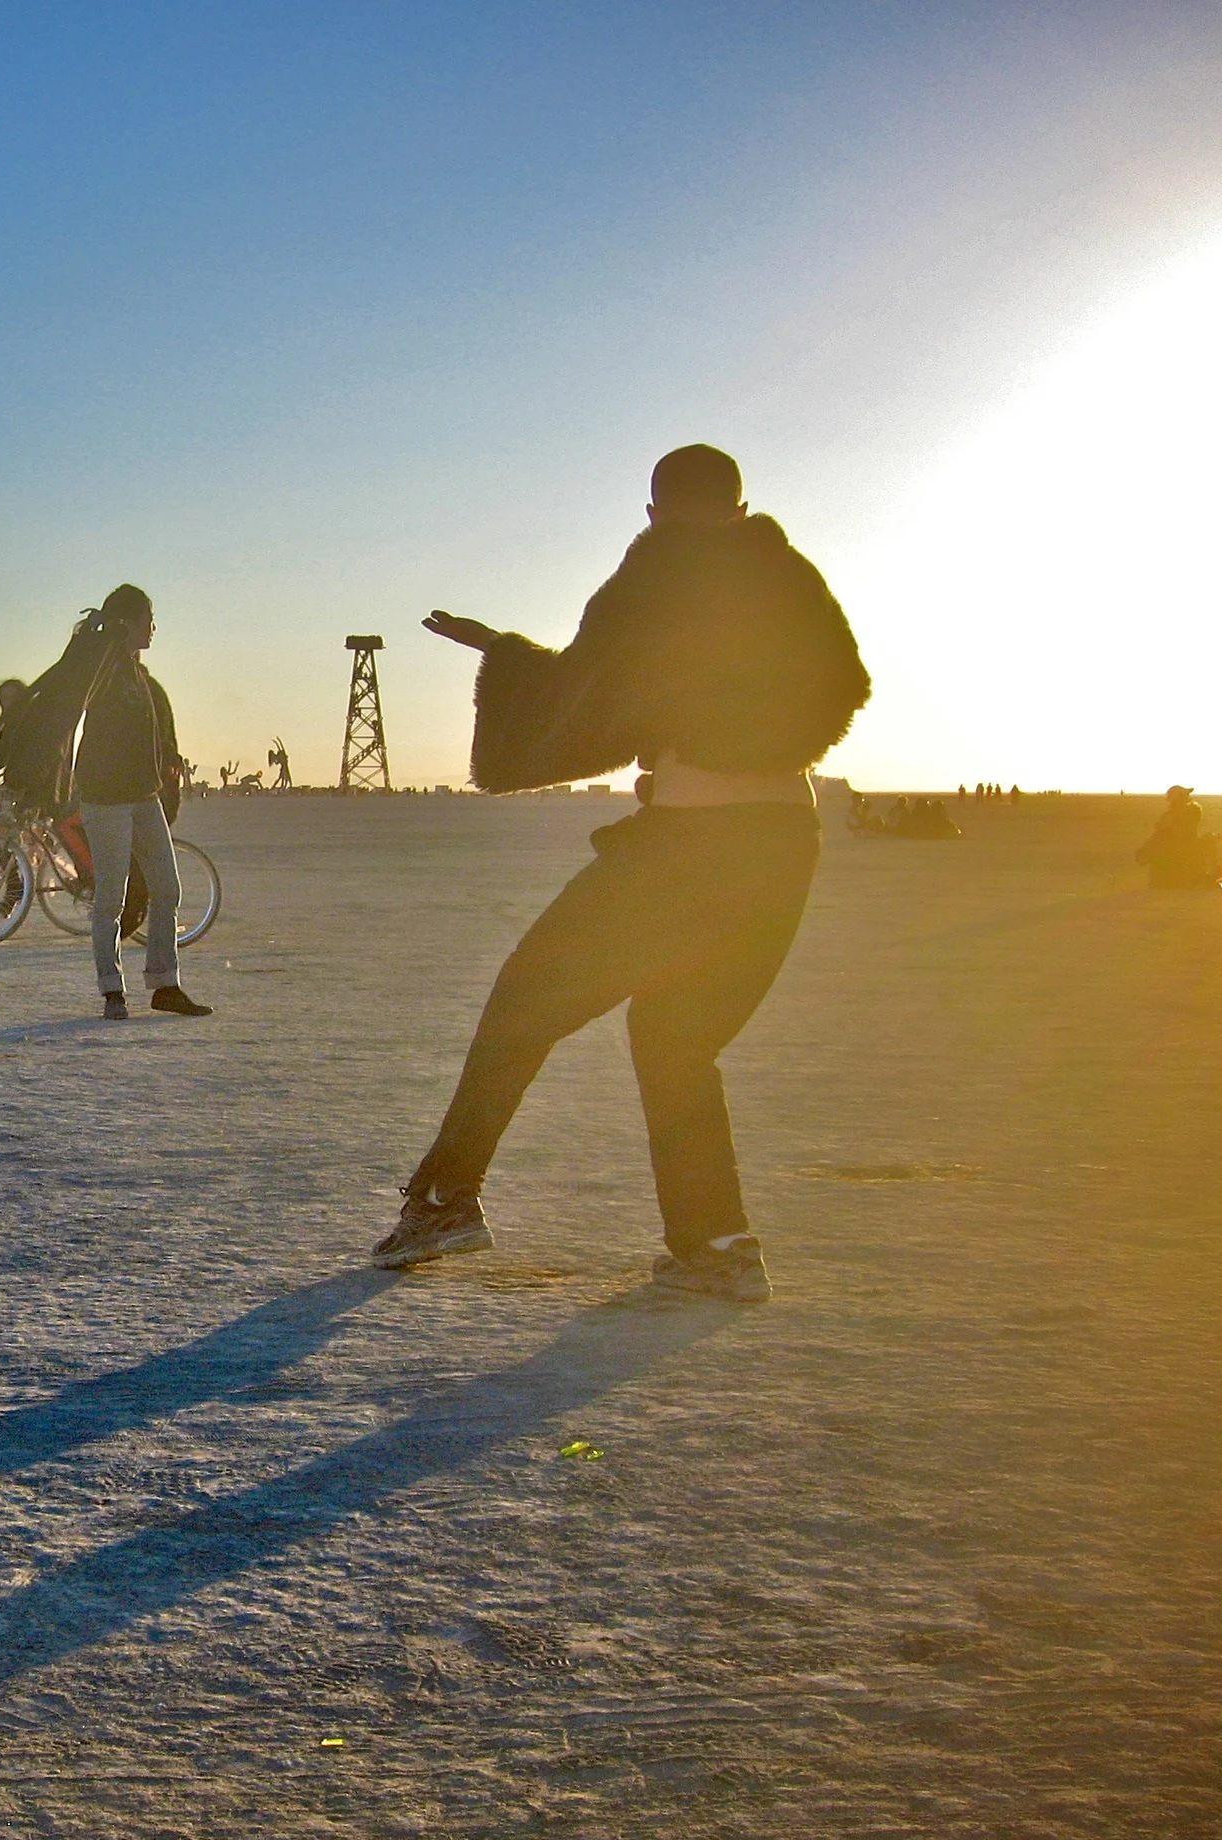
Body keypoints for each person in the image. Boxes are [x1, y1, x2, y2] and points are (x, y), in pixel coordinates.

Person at [369, 445, 870, 1301]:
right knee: (678, 1036)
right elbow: (845, 686)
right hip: (786, 843)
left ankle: (450, 1201)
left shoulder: (658, 568)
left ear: (652, 514)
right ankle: (717, 1246)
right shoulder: (791, 578)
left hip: (687, 846)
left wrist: (507, 656)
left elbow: (587, 686)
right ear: (741, 508)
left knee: (527, 998)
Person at [70, 584, 212, 1020]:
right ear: (127, 622)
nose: (154, 626)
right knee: (111, 897)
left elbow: (161, 736)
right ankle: (112, 990)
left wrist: (169, 771)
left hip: (143, 797)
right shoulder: (101, 669)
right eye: (148, 617)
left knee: (167, 887)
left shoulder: (142, 679)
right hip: (106, 799)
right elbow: (66, 695)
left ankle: (164, 984)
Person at [1137, 785, 1222, 888]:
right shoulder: (1190, 811)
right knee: (1209, 839)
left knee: (1209, 839)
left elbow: (1159, 834)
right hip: (1182, 850)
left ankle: (1207, 874)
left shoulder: (1179, 813)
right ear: (1180, 798)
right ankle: (1208, 874)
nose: (1188, 797)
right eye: (1184, 795)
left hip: (1179, 849)